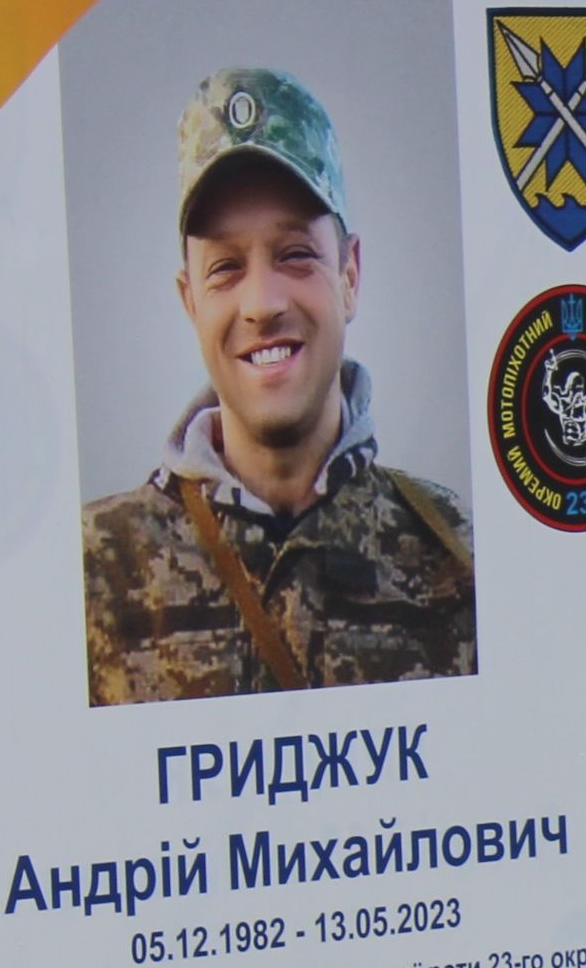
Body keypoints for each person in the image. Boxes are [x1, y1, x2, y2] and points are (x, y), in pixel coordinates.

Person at [84, 67, 476, 706]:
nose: (262, 304)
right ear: (190, 302)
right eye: (225, 268)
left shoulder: (462, 557)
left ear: (349, 275)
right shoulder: (94, 575)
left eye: (295, 254)